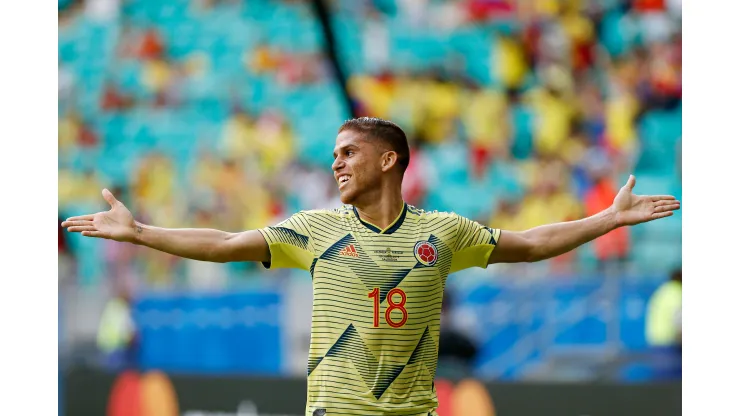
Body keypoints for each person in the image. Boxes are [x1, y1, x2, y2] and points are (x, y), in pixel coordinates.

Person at [62, 117, 680, 416]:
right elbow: (224, 243)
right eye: (333, 154)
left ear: (389, 161)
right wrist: (140, 232)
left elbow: (531, 242)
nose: (336, 164)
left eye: (349, 152)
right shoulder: (315, 228)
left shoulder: (443, 233)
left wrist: (606, 220)